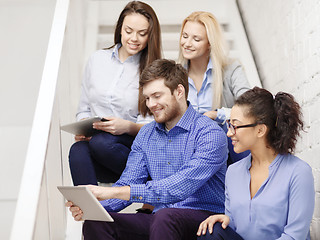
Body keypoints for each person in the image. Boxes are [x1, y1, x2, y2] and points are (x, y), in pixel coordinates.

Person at [66, 59, 229, 240]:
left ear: (179, 92)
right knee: (96, 222)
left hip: (203, 217)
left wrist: (110, 191)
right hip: (161, 220)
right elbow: (129, 180)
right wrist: (92, 208)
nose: (150, 104)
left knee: (164, 216)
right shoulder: (146, 135)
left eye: (157, 96)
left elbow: (179, 187)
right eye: (147, 98)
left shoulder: (210, 133)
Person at [197, 87, 315, 240]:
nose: (229, 133)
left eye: (235, 126)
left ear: (260, 130)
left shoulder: (298, 172)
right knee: (211, 231)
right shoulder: (233, 172)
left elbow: (294, 236)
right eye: (228, 124)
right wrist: (226, 222)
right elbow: (238, 228)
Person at [68, 1, 162, 186]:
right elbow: (84, 106)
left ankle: (148, 179)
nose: (134, 38)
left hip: (132, 148)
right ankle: (93, 213)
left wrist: (127, 127)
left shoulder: (155, 70)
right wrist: (82, 127)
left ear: (150, 35)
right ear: (120, 29)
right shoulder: (97, 60)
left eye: (142, 33)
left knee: (102, 143)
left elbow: (158, 126)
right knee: (78, 150)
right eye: (129, 31)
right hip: (103, 151)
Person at [178, 11, 251, 164]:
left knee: (234, 131)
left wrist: (216, 115)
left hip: (222, 143)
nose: (187, 43)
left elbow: (251, 108)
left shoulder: (231, 69)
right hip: (186, 145)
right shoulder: (173, 74)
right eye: (185, 36)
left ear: (210, 43)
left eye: (196, 39)